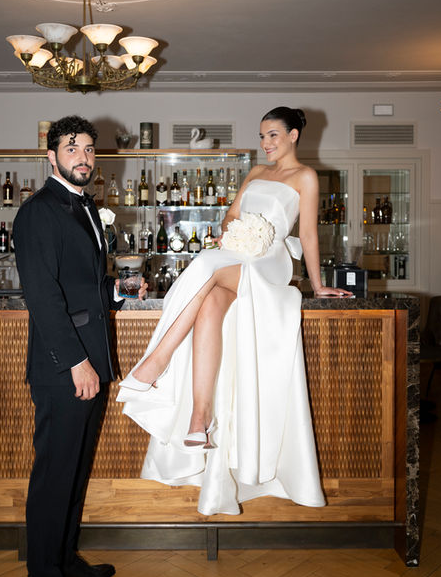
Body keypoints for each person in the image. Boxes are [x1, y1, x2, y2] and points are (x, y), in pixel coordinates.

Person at [117, 106, 353, 516]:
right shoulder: (256, 173)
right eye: (263, 136)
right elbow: (229, 215)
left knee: (206, 264)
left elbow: (309, 234)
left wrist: (317, 286)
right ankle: (199, 419)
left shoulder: (306, 177)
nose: (266, 143)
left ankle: (156, 361)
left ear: (294, 135)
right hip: (238, 258)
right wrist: (234, 232)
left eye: (274, 135)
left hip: (271, 261)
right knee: (208, 298)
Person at [13, 115, 145, 577]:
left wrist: (117, 289)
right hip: (64, 367)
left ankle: (64, 560)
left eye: (90, 148)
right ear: (51, 156)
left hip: (90, 361)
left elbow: (80, 283)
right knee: (52, 480)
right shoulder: (38, 212)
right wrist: (76, 363)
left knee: (74, 471)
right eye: (72, 148)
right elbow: (43, 298)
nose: (83, 156)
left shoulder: (84, 208)